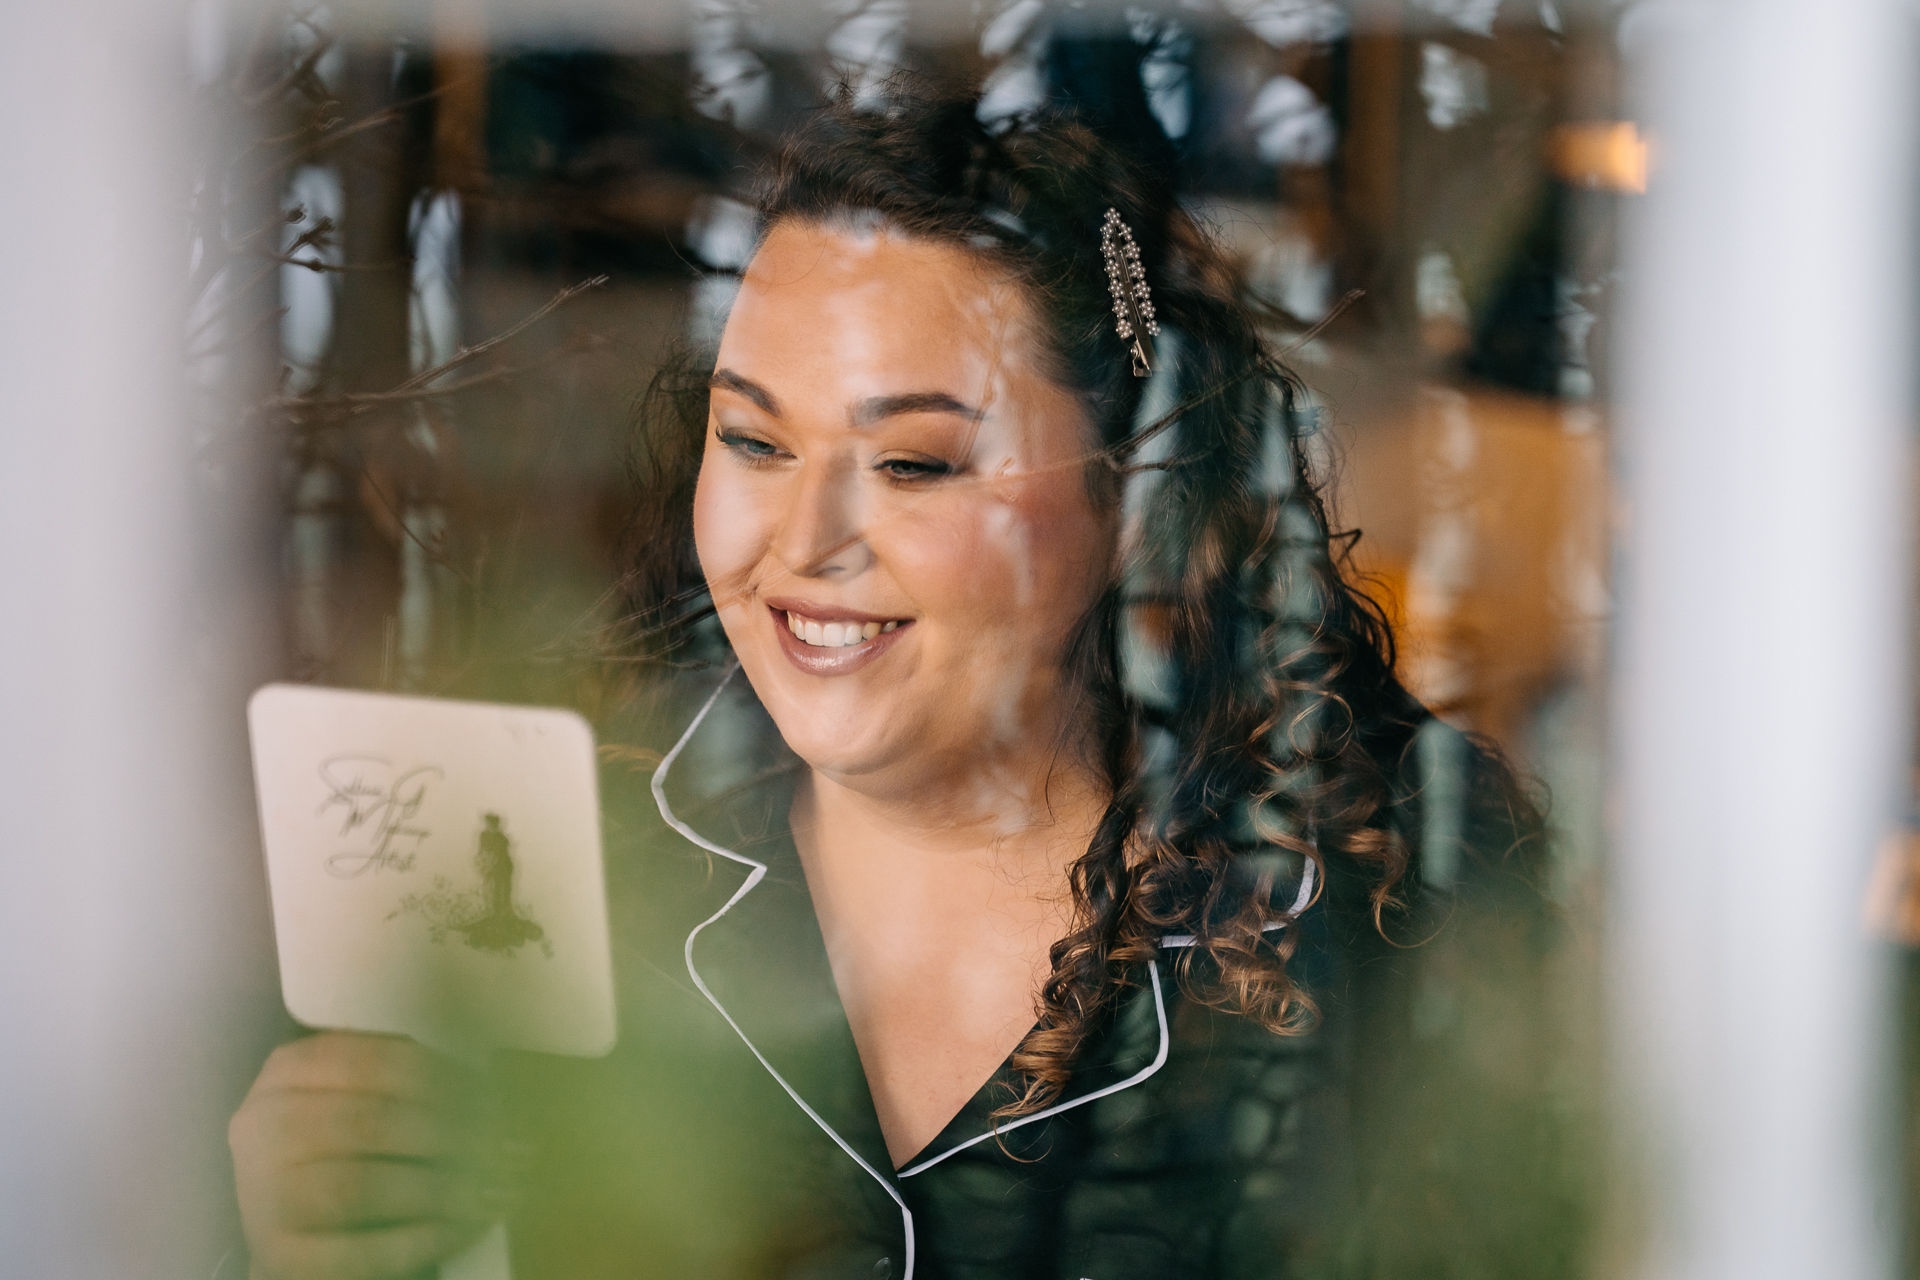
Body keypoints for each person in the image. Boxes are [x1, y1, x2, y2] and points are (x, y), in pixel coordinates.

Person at [229, 85, 1562, 1280]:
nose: (802, 547)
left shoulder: (1390, 927)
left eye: (916, 465)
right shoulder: (553, 883)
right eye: (752, 440)